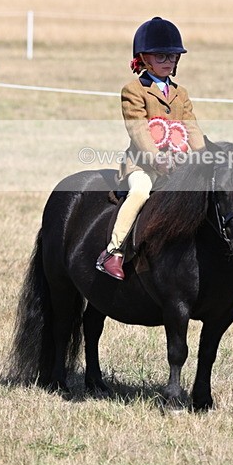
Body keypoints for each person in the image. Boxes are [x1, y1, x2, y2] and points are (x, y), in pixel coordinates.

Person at [96, 16, 205, 280]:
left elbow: (191, 127)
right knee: (141, 193)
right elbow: (138, 129)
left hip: (178, 164)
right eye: (161, 57)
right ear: (144, 58)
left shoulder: (181, 93)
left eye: (173, 56)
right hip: (143, 164)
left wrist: (204, 157)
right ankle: (114, 251)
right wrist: (157, 160)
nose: (168, 62)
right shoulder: (133, 91)